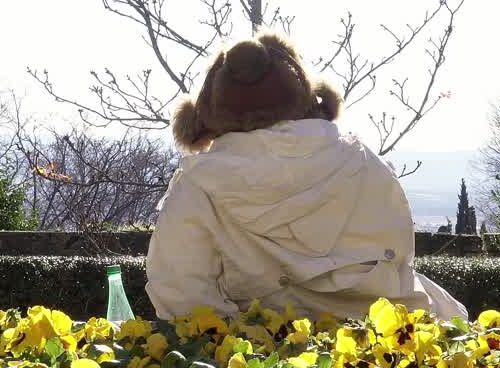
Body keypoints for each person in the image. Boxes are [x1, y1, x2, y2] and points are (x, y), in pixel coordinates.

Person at [145, 31, 468, 322]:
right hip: (390, 346)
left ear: (205, 115)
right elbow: (398, 257)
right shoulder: (365, 161)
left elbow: (181, 292)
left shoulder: (198, 185)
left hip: (265, 359)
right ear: (310, 96)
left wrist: (244, 346)